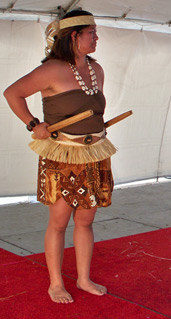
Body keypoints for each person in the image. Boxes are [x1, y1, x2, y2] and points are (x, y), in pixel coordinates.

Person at [3, 10, 114, 303]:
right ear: (74, 36)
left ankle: (83, 278)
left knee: (86, 221)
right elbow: (12, 93)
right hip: (63, 154)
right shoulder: (51, 69)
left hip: (95, 153)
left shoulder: (97, 69)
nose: (97, 37)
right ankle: (55, 283)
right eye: (92, 32)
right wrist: (32, 124)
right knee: (59, 221)